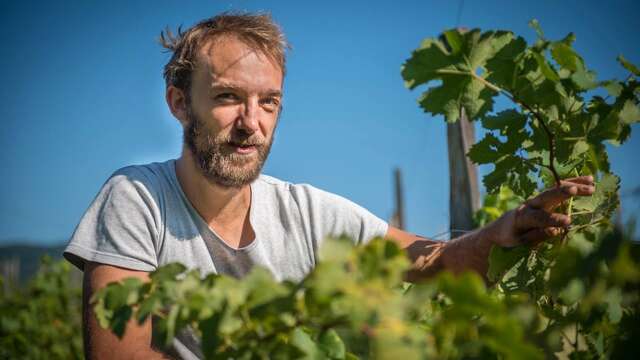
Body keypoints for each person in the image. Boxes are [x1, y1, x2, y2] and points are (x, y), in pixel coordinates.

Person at [63, 12, 595, 360]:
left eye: (268, 102)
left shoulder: (307, 211)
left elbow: (432, 261)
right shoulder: (137, 199)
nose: (252, 122)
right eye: (228, 98)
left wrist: (505, 230)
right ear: (180, 104)